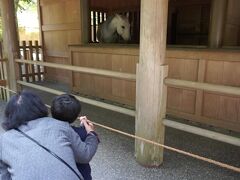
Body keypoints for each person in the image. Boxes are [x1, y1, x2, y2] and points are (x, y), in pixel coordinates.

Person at [0, 90, 98, 180]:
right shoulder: (59, 125)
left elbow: (4, 176)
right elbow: (85, 155)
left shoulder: (3, 141)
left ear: (9, 114)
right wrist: (91, 133)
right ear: (39, 106)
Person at [51, 94, 99, 180]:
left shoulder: (46, 129)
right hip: (78, 174)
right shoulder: (80, 133)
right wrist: (90, 131)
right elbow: (87, 152)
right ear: (76, 116)